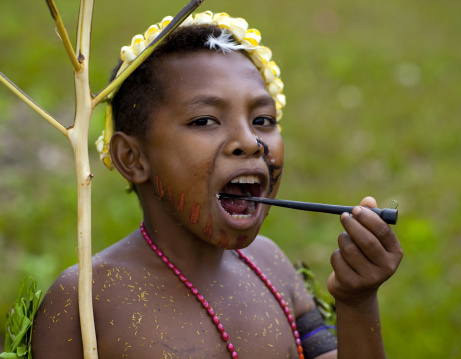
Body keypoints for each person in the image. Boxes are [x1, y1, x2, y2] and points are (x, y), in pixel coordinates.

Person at [31, 11, 403, 359]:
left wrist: (357, 303)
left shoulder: (272, 265)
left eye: (263, 119)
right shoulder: (83, 301)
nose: (249, 141)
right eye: (205, 120)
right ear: (133, 158)